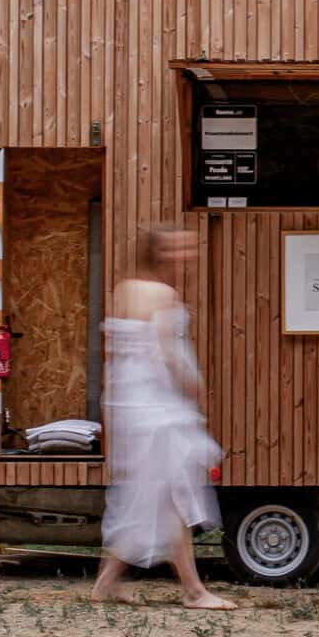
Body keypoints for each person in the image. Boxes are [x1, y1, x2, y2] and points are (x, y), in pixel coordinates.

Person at [92, 224, 229, 610]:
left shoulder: (124, 289)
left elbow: (118, 351)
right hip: (156, 406)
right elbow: (169, 353)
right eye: (179, 248)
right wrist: (196, 387)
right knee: (171, 494)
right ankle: (193, 590)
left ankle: (107, 581)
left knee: (148, 494)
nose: (187, 254)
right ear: (162, 253)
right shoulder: (163, 294)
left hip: (128, 403)